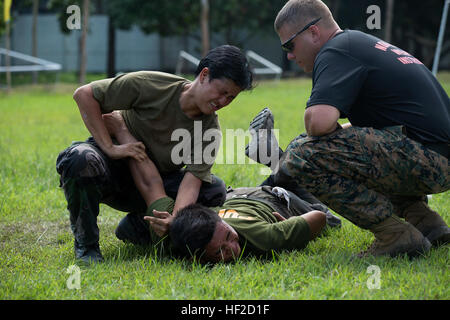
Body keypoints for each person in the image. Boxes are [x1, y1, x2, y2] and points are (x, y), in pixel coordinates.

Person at [265, 0, 449, 258]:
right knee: (351, 148)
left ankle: (394, 234)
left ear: (313, 32)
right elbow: (377, 127)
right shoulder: (357, 44)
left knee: (301, 154)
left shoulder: (336, 51)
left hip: (428, 159)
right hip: (435, 156)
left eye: (290, 45)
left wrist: (322, 136)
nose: (290, 56)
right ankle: (425, 221)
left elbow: (317, 122)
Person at [56, 45, 253, 264]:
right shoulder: (152, 85)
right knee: (79, 158)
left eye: (231, 98)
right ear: (205, 75)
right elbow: (84, 95)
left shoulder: (209, 131)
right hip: (111, 171)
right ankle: (87, 246)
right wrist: (111, 147)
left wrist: (174, 220)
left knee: (213, 190)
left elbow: (191, 182)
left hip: (155, 182)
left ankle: (139, 226)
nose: (223, 102)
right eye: (222, 92)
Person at [103, 111, 338, 264]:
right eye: (219, 252)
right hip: (254, 197)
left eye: (227, 236)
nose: (233, 249)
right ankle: (277, 161)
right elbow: (150, 183)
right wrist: (121, 130)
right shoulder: (176, 232)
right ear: (195, 257)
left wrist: (123, 131)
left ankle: (281, 163)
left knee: (332, 220)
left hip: (274, 199)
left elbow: (318, 218)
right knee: (308, 197)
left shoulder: (260, 236)